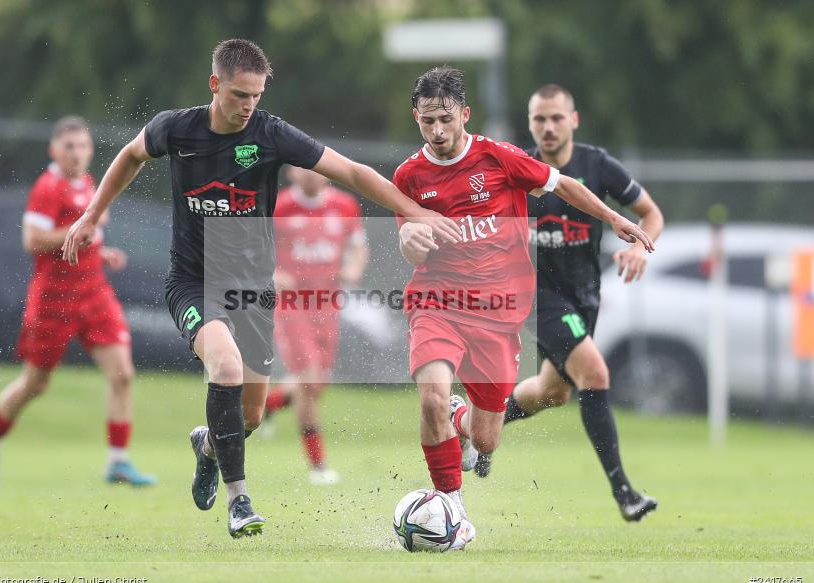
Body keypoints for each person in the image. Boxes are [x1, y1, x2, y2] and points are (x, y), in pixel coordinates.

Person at [61, 39, 460, 539]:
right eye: (239, 94)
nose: (248, 105)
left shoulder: (271, 135)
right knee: (224, 367)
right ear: (215, 85)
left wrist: (415, 211)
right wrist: (92, 214)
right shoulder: (176, 128)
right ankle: (239, 500)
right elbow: (130, 154)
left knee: (248, 415)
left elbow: (352, 172)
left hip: (253, 292)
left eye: (256, 96)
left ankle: (209, 446)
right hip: (193, 283)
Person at [394, 68, 654, 549]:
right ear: (416, 117)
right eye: (427, 121)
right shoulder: (408, 176)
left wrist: (616, 218)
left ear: (464, 114)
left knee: (486, 438)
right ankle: (453, 508)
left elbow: (566, 186)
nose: (437, 131)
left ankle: (459, 421)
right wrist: (411, 238)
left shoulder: (499, 157)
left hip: (497, 314)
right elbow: (410, 247)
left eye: (445, 119)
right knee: (430, 395)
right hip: (437, 302)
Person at [500, 84, 664, 522]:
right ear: (530, 123)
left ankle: (479, 427)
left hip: (583, 294)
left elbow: (651, 213)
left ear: (574, 120)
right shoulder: (519, 166)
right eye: (539, 119)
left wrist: (637, 249)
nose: (548, 127)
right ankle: (624, 493)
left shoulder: (597, 164)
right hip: (533, 292)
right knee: (596, 373)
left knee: (552, 392)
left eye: (556, 118)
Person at [0, 116, 156, 491]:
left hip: (94, 292)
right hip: (54, 301)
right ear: (54, 150)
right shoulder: (47, 187)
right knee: (35, 384)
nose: (77, 153)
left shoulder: (89, 183)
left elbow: (84, 238)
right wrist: (77, 231)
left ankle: (118, 461)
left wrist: (102, 253)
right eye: (69, 146)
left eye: (84, 145)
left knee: (122, 374)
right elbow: (33, 240)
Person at [263, 166, 368, 485]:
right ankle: (319, 466)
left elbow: (359, 245)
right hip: (292, 306)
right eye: (302, 168)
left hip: (328, 304)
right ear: (291, 172)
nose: (311, 174)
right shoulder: (277, 206)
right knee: (309, 380)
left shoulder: (344, 204)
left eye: (316, 167)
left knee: (317, 385)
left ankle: (268, 402)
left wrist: (353, 269)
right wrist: (274, 274)